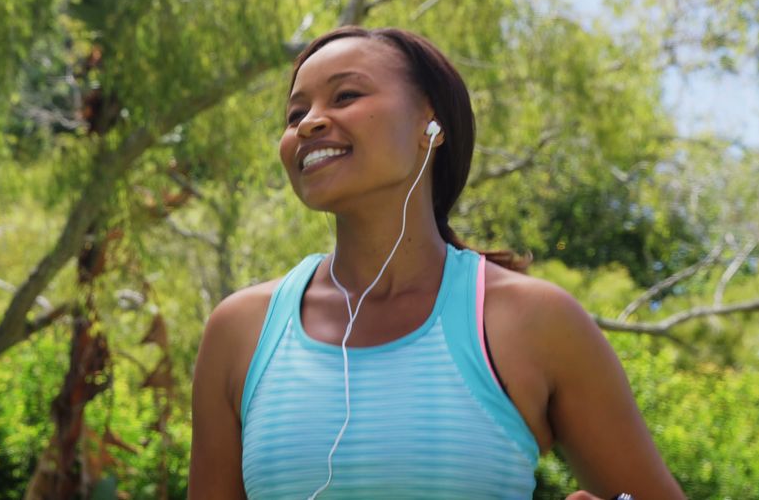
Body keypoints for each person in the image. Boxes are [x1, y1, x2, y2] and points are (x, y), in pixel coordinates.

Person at [189, 26, 686, 499]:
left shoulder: (532, 321)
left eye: (345, 97)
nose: (310, 123)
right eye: (295, 114)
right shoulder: (240, 331)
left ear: (432, 125)